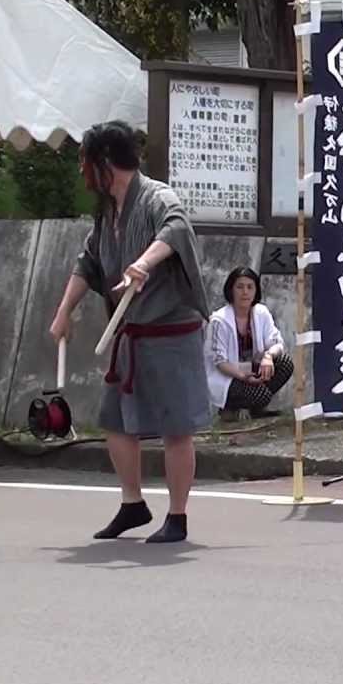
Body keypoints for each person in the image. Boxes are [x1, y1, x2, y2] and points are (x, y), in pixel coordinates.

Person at [49, 120, 211, 544]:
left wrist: (145, 261)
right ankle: (133, 503)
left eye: (86, 162)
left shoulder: (157, 196)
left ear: (104, 162)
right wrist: (65, 311)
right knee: (116, 422)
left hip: (171, 330)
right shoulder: (109, 210)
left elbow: (176, 228)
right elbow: (88, 261)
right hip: (130, 332)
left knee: (177, 427)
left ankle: (178, 516)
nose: (83, 172)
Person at [206, 267, 294, 419]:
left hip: (253, 368)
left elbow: (277, 343)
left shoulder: (261, 312)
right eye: (239, 287)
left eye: (250, 287)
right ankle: (230, 409)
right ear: (231, 290)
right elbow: (220, 362)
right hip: (229, 374)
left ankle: (256, 408)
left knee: (284, 362)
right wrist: (242, 376)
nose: (245, 292)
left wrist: (268, 356)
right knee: (261, 395)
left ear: (256, 291)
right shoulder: (219, 320)